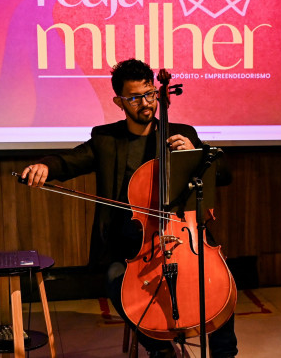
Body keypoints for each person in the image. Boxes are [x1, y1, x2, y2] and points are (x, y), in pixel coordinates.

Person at [21, 59, 238, 358]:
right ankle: (160, 349)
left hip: (185, 239)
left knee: (218, 284)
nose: (146, 104)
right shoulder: (106, 139)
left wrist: (197, 155)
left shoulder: (181, 132)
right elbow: (69, 161)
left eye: (149, 94)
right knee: (114, 281)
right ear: (119, 101)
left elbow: (224, 174)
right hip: (131, 246)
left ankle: (226, 354)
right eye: (134, 98)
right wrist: (44, 166)